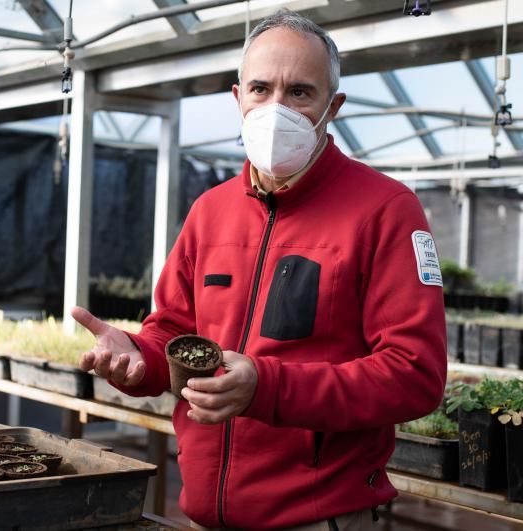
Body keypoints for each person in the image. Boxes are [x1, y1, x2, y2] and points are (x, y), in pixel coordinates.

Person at [72, 8, 447, 530]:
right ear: (237, 98)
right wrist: (141, 358)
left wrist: (266, 388)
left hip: (316, 517)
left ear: (332, 107)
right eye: (261, 88)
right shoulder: (212, 210)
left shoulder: (385, 210)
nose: (277, 107)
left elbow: (414, 375)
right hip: (205, 512)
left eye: (300, 92)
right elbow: (175, 333)